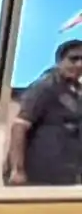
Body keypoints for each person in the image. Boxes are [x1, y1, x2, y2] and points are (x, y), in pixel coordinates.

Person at [18, 36, 82, 188]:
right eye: (73, 59)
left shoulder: (75, 89)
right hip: (40, 176)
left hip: (66, 174)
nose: (79, 64)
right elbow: (19, 126)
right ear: (60, 62)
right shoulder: (45, 86)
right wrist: (17, 170)